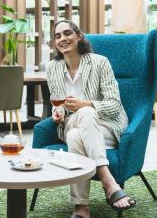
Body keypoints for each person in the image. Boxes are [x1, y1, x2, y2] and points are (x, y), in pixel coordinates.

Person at [46, 20, 136, 218]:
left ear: (79, 36)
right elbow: (59, 104)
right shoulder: (52, 68)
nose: (62, 39)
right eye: (58, 36)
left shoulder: (100, 62)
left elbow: (114, 105)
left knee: (76, 134)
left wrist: (84, 105)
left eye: (67, 33)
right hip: (71, 123)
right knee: (77, 126)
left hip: (106, 127)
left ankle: (81, 207)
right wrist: (58, 113)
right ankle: (109, 183)